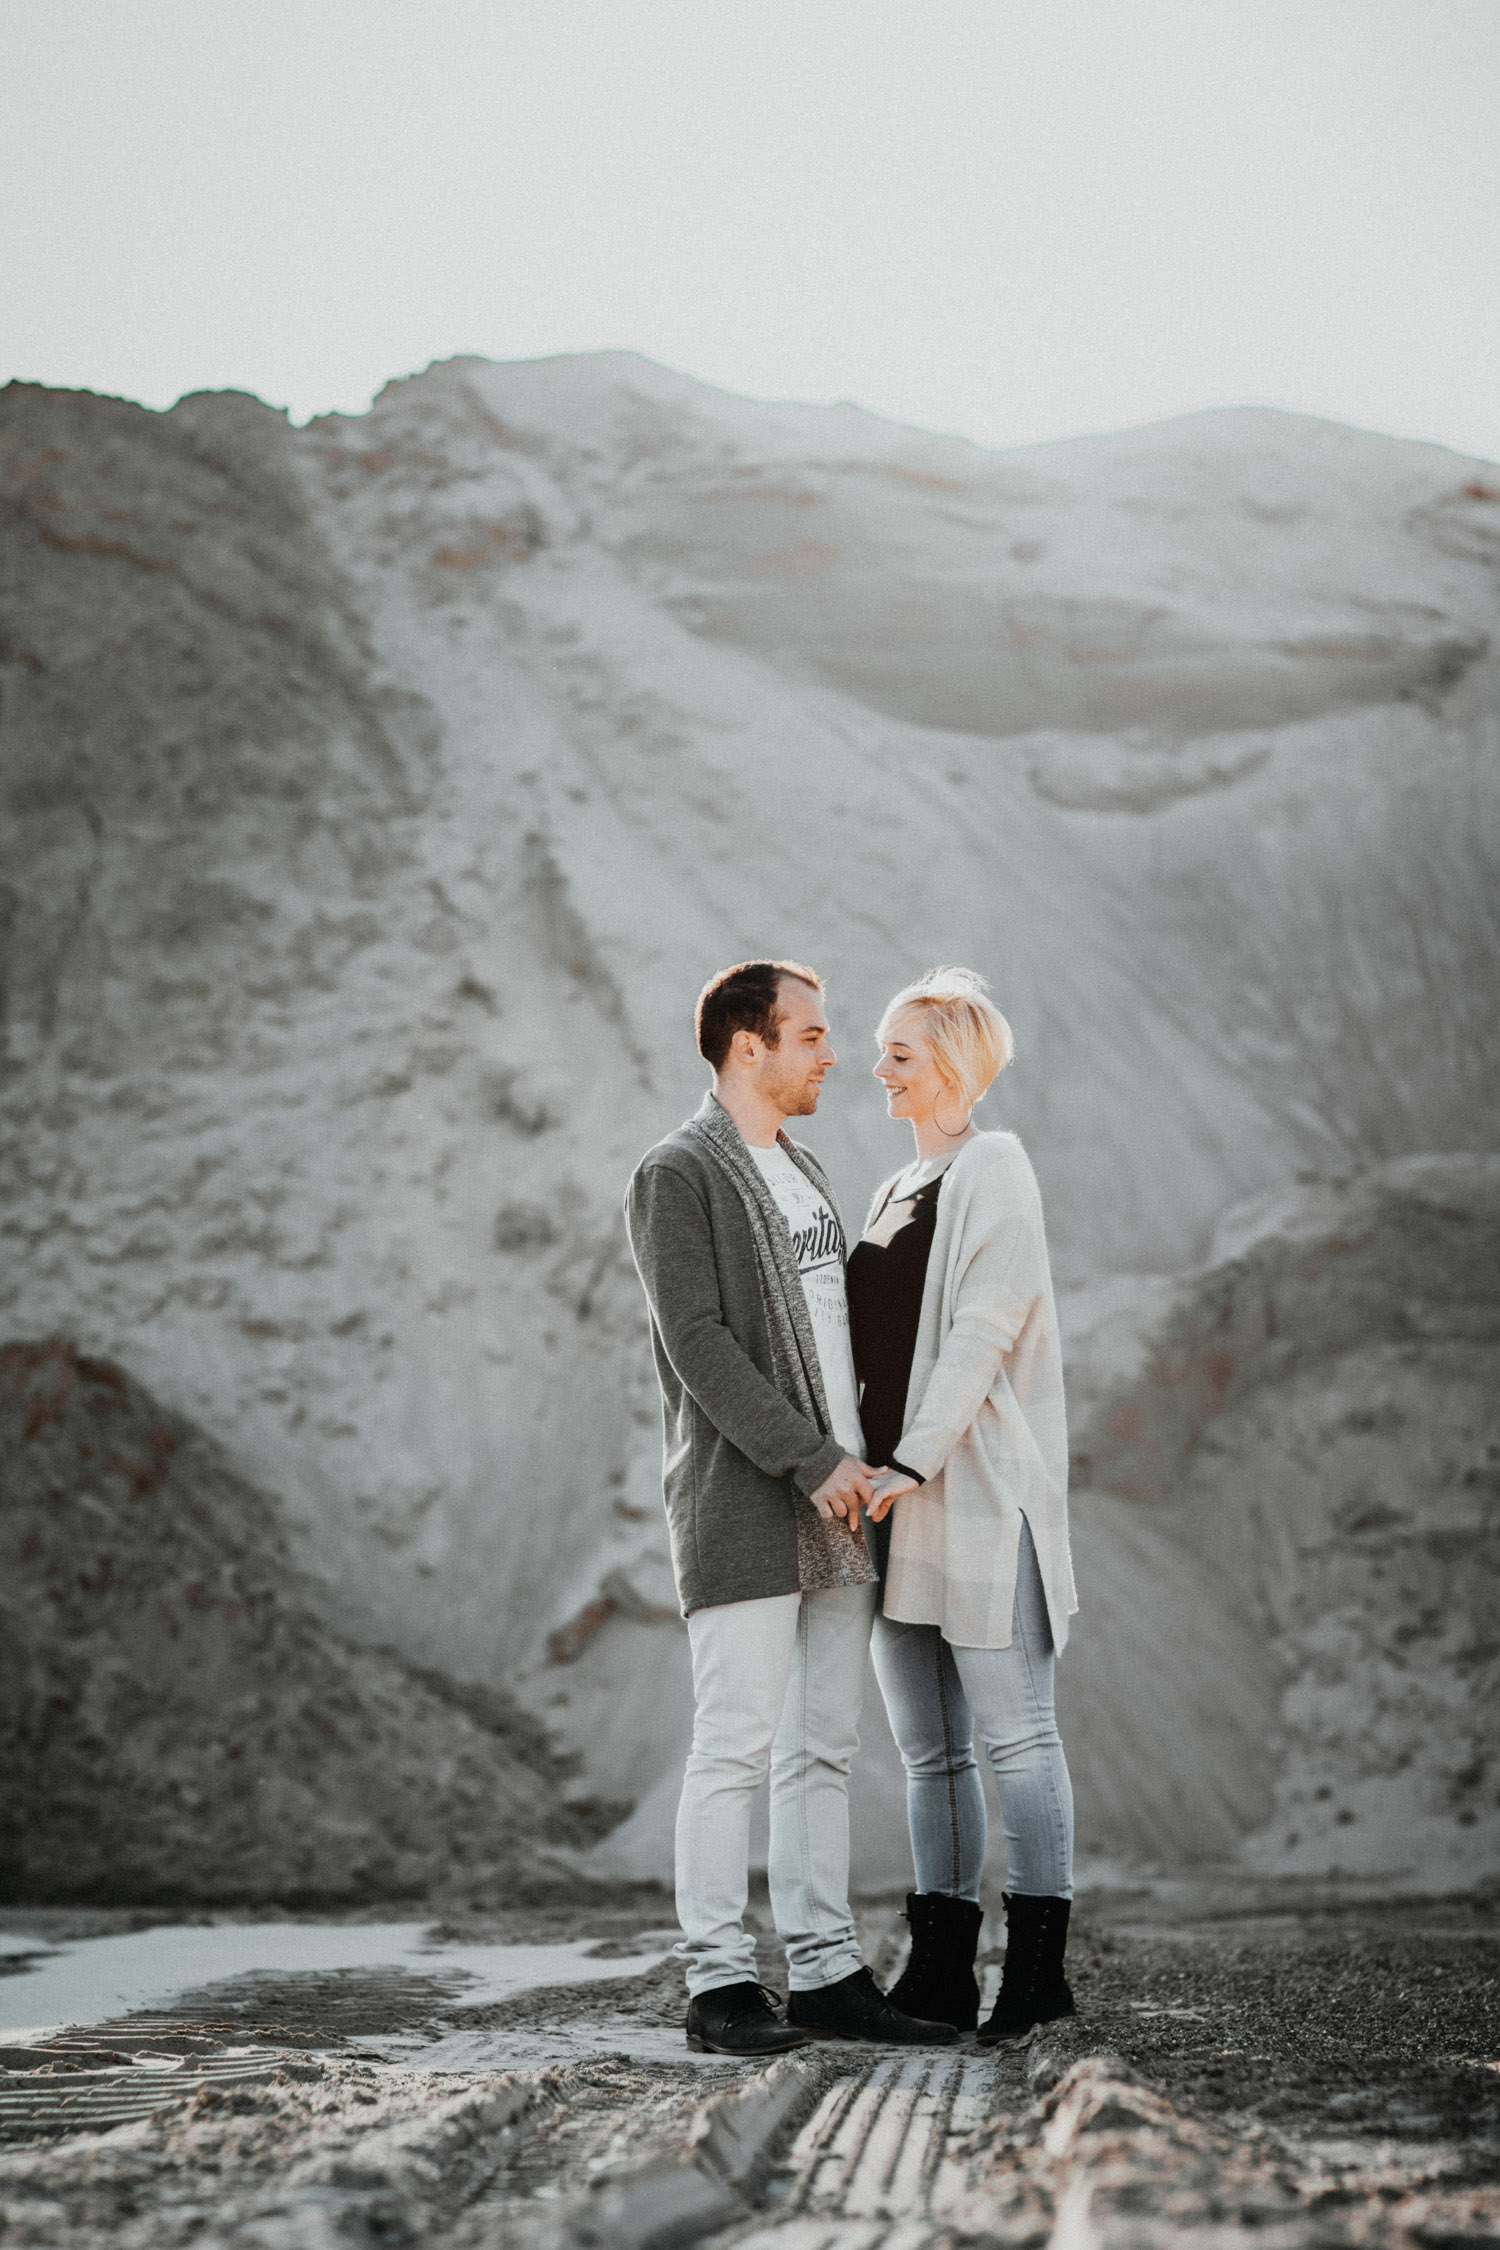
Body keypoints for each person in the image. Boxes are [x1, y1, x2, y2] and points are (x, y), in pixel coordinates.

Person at [624, 960, 958, 2057]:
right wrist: (810, 1460)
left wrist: (865, 1463)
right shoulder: (680, 1173)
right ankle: (719, 1982)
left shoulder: (805, 1171)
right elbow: (699, 1345)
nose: (831, 1054)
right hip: (750, 1500)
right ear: (746, 1046)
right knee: (732, 1747)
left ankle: (821, 1972)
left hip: (845, 1498)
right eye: (809, 1035)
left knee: (822, 1747)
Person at [847, 967, 1079, 2044]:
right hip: (901, 1506)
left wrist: (914, 1459)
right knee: (930, 1753)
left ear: (951, 1063)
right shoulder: (893, 1190)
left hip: (977, 1490)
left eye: (899, 1051)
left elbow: (985, 1329)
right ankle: (938, 1969)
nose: (877, 1068)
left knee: (1017, 1739)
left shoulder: (997, 1168)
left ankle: (1035, 1977)